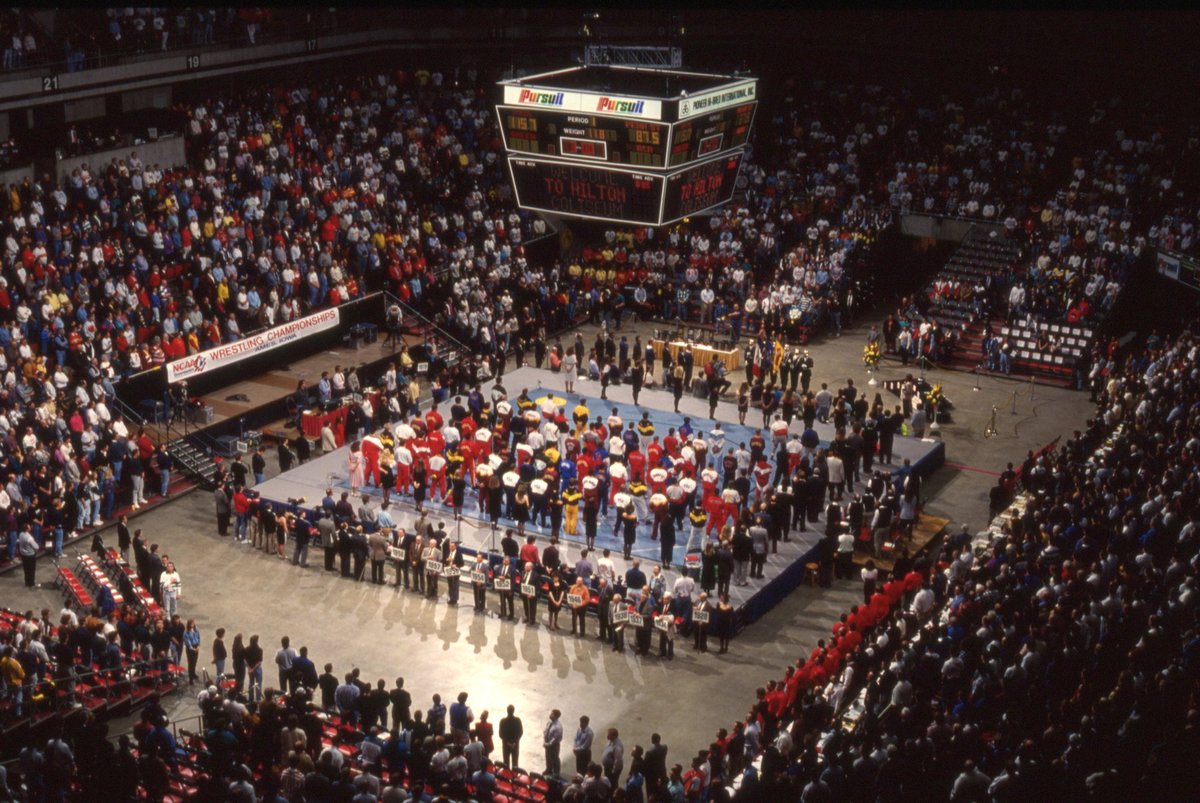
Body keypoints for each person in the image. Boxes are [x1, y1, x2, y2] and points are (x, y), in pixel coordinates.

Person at [500, 705, 523, 770]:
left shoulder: (503, 721)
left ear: (507, 711)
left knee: (506, 763)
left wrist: (507, 743)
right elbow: (520, 732)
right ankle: (515, 778)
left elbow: (501, 734)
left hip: (506, 745)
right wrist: (514, 743)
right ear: (513, 711)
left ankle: (506, 778)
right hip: (515, 745)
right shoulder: (518, 720)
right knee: (515, 763)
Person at [543, 709, 563, 779]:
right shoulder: (549, 722)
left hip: (554, 745)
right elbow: (545, 731)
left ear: (556, 716)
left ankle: (556, 773)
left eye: (552, 714)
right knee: (548, 757)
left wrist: (549, 744)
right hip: (547, 743)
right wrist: (545, 741)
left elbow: (555, 738)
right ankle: (548, 769)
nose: (550, 715)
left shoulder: (558, 727)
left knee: (554, 758)